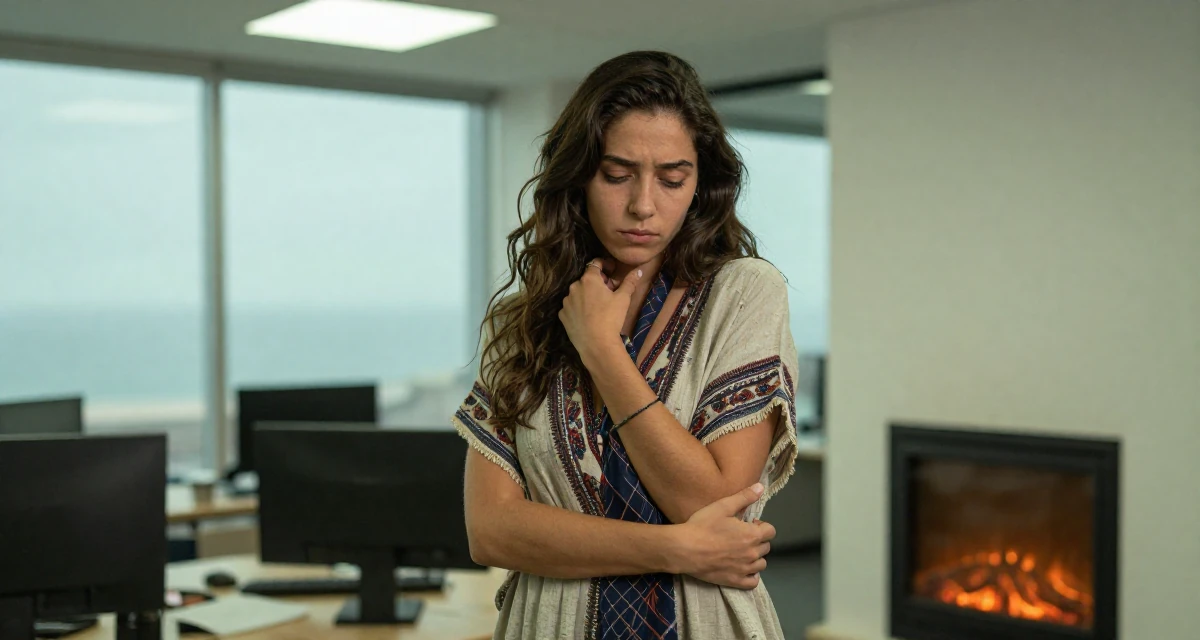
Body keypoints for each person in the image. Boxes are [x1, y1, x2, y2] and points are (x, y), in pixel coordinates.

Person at [453, 50, 800, 640]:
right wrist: (677, 549)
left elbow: (717, 501)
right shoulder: (520, 324)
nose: (644, 205)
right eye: (617, 175)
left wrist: (603, 352)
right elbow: (492, 531)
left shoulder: (743, 294)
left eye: (672, 178)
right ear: (579, 177)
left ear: (700, 186)